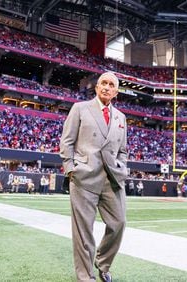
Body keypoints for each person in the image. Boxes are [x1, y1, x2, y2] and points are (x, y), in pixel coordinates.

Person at [60, 72, 127, 282]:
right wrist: (71, 168)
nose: (106, 87)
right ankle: (85, 276)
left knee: (118, 223)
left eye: (111, 85)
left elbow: (123, 150)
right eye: (103, 84)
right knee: (84, 231)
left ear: (116, 91)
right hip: (84, 177)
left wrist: (122, 167)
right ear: (97, 87)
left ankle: (103, 263)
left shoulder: (121, 118)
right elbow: (67, 141)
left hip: (112, 179)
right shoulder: (80, 108)